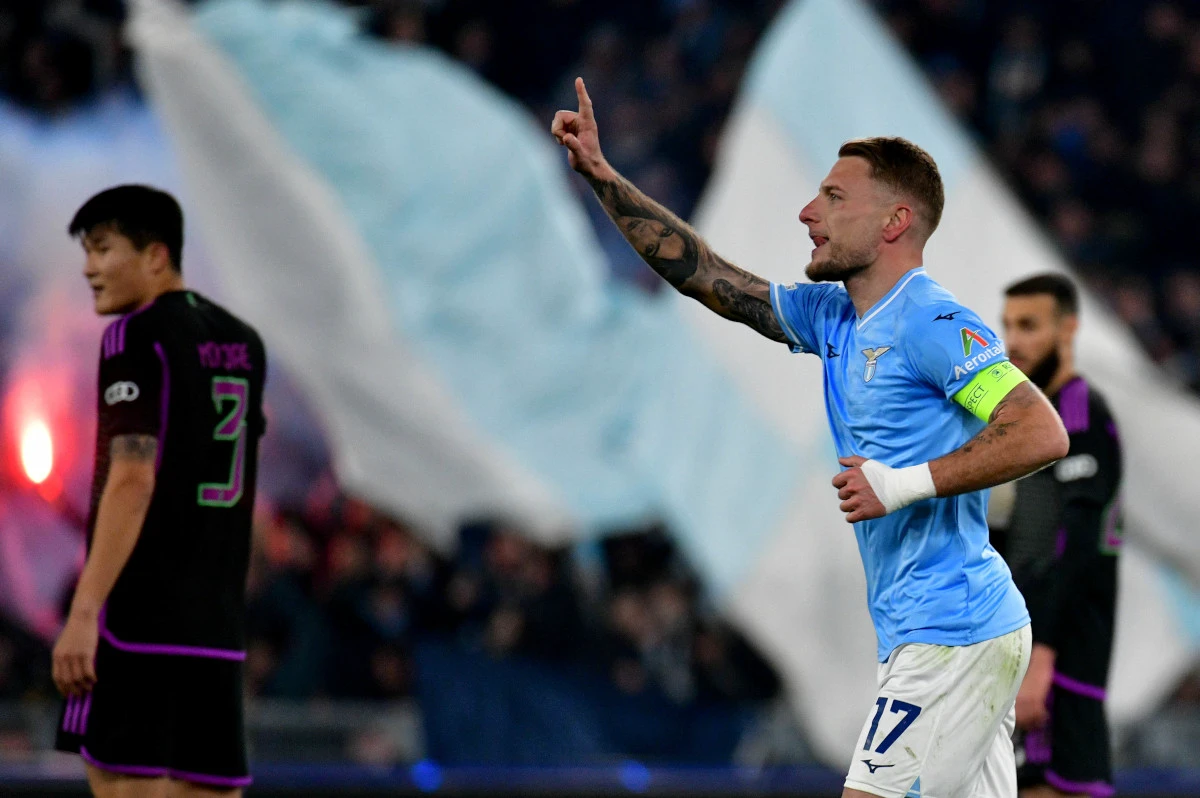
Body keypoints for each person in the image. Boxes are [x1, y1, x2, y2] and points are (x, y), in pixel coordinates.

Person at [552, 78, 1069, 798]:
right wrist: (605, 180)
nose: (806, 212)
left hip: (952, 629)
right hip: (942, 631)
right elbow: (710, 278)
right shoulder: (833, 318)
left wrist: (903, 483)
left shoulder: (930, 322)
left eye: (832, 198)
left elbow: (1041, 430)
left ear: (894, 221)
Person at [52, 185, 267, 797]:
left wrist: (85, 610)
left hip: (136, 623)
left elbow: (132, 477)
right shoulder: (243, 342)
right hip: (216, 631)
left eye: (101, 248)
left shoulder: (134, 337)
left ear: (155, 255)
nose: (89, 268)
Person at [994, 274, 1121, 798]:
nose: (1014, 341)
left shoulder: (1077, 410)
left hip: (1058, 665)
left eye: (1029, 325)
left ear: (1067, 329)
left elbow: (1079, 538)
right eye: (1008, 326)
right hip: (1022, 655)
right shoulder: (1024, 418)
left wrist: (1040, 656)